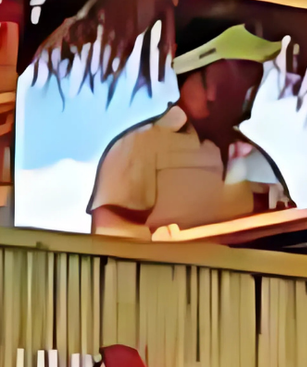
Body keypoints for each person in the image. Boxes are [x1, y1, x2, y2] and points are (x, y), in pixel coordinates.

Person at [87, 16, 293, 238]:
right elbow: (110, 251)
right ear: (210, 75)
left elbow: (290, 237)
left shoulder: (254, 158)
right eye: (245, 68)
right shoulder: (137, 148)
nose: (256, 79)